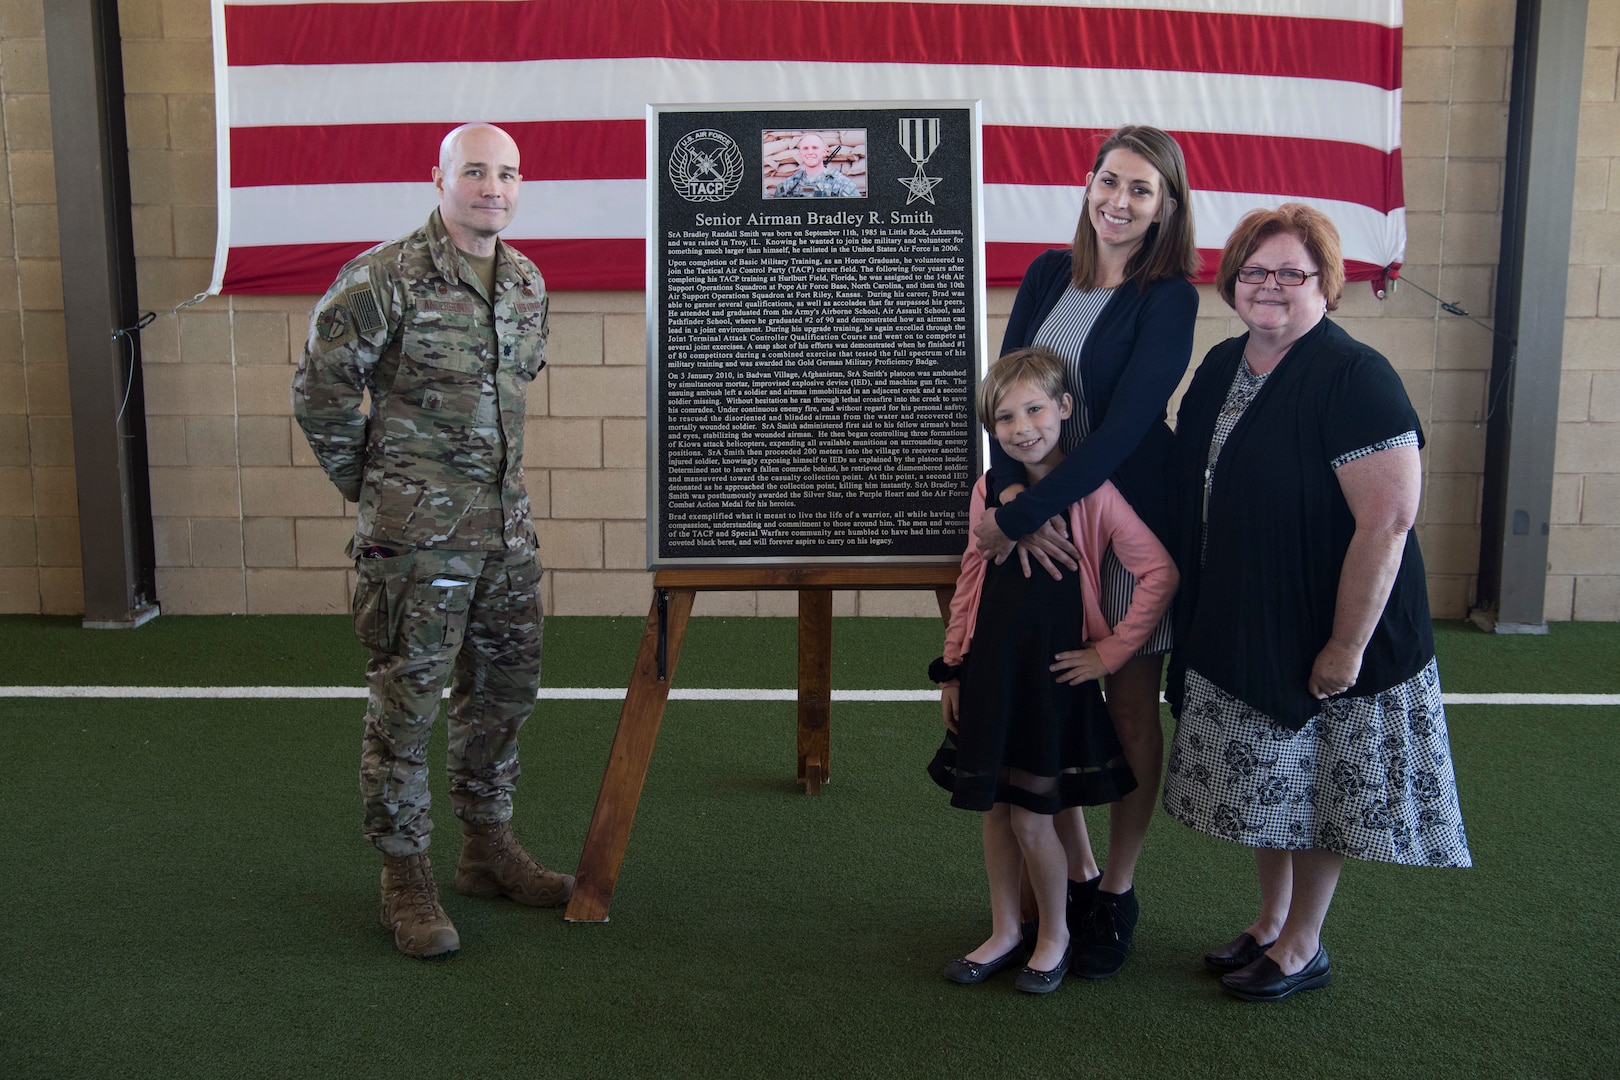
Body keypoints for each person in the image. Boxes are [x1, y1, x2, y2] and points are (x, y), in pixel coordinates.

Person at [1162, 203, 1471, 1003]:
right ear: (1232, 281)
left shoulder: (1356, 377)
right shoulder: (1224, 363)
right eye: (1254, 271)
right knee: (1275, 787)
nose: (1269, 287)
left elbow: (1389, 519)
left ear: (1324, 285)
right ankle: (1269, 922)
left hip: (1332, 623)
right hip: (1252, 617)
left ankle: (1305, 943)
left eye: (1290, 273)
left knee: (1320, 788)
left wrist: (1345, 648)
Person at [291, 123, 572, 960]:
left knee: (504, 695)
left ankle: (487, 848)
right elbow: (322, 394)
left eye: (509, 174)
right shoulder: (383, 277)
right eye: (477, 171)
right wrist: (378, 490)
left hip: (504, 533)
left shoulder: (524, 280)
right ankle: (404, 875)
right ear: (441, 179)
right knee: (407, 706)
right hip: (415, 542)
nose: (495, 187)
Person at [975, 124, 1199, 978]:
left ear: (1165, 205)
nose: (1119, 200)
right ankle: (1072, 873)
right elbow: (1006, 399)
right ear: (1089, 183)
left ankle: (1119, 889)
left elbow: (1127, 431)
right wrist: (1008, 499)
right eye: (1110, 181)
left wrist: (1040, 507)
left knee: (1131, 709)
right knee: (1054, 703)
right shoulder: (1044, 274)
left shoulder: (1168, 297)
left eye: (1142, 189)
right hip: (1038, 527)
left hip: (1124, 519)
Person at [929, 347, 1178, 994]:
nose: (1022, 428)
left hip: (1049, 682)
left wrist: (1110, 654)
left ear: (1065, 409)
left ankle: (1055, 934)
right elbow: (969, 581)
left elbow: (1159, 573)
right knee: (994, 811)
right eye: (1005, 419)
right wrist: (953, 668)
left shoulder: (1093, 492)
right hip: (990, 675)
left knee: (1034, 816)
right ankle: (1006, 929)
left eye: (1035, 409)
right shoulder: (989, 490)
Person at [771, 132, 861, 198]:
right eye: (805, 148)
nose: (810, 152)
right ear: (800, 153)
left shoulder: (841, 184)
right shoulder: (789, 185)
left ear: (824, 152)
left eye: (815, 148)